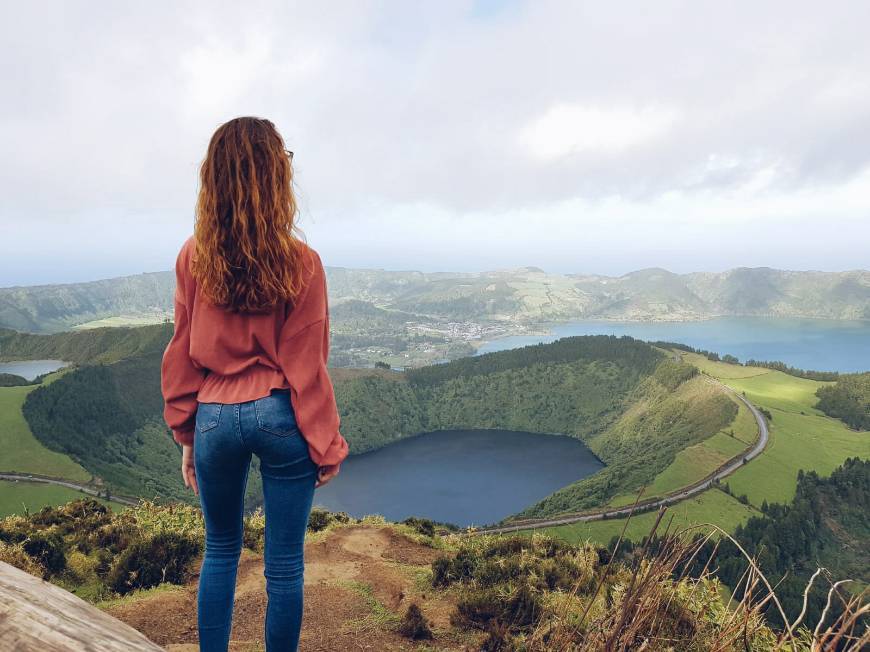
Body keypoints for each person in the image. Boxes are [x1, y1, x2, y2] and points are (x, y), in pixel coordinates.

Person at [160, 116, 349, 651]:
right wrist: (324, 443)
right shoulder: (302, 263)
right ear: (276, 180)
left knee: (220, 549)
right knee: (284, 566)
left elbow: (180, 351)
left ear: (213, 180)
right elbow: (307, 365)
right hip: (280, 416)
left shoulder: (194, 256)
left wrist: (187, 434)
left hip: (215, 415)